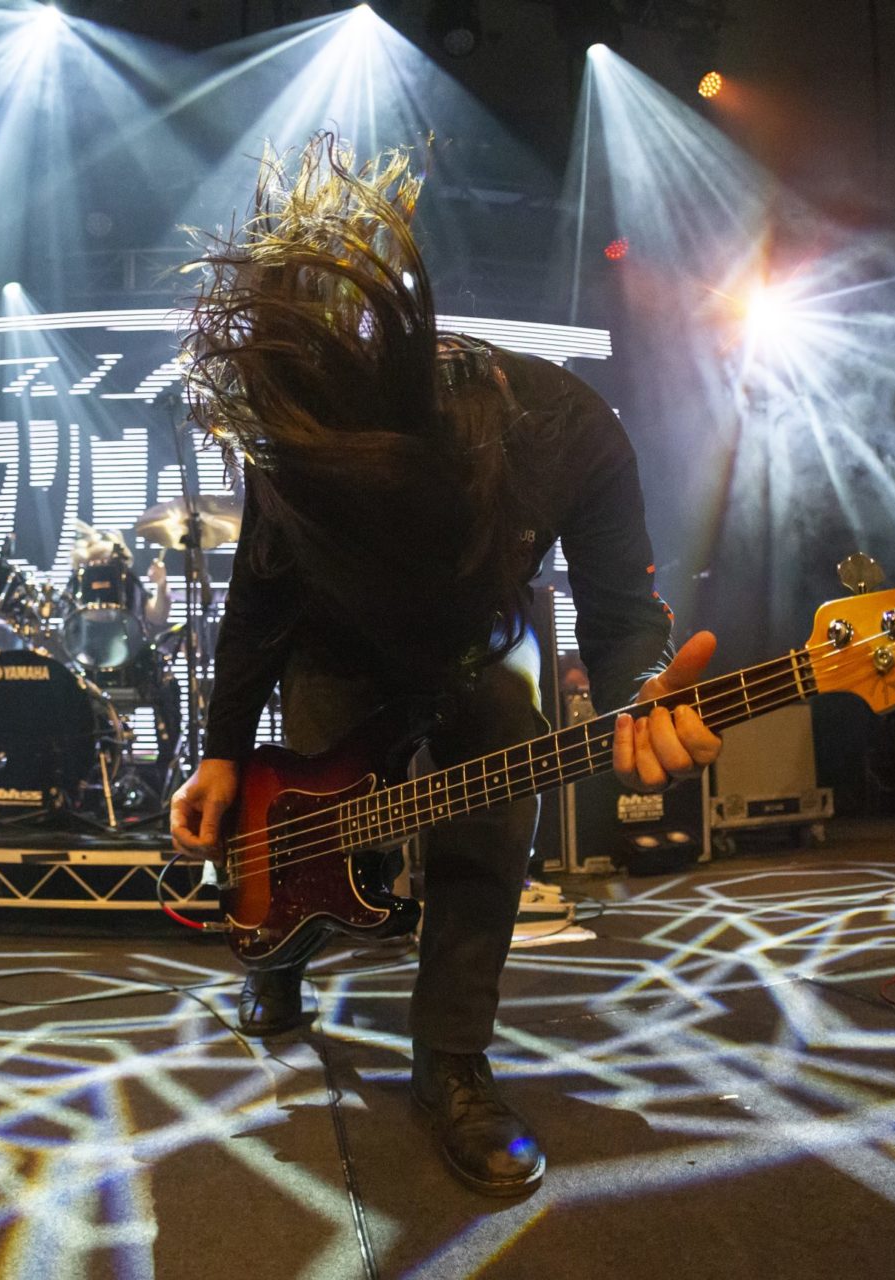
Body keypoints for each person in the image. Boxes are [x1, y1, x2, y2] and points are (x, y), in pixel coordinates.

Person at [167, 134, 722, 1196]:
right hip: (337, 645)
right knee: (303, 836)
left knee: (488, 832)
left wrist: (642, 698)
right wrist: (225, 754)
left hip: (489, 636)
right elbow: (260, 603)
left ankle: (453, 1059)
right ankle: (278, 955)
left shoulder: (567, 429)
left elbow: (621, 619)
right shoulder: (300, 455)